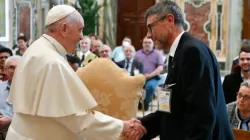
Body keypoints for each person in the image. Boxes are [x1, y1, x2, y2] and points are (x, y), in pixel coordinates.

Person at [6, 5, 146, 140]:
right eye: (79, 30)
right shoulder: (52, 62)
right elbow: (75, 118)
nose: (81, 37)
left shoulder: (36, 49)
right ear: (64, 29)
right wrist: (122, 126)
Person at [134, 1, 234, 139]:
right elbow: (170, 110)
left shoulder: (192, 52)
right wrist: (139, 126)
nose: (148, 35)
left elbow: (201, 117)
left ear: (169, 20)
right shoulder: (180, 52)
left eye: (150, 27)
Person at [0, 55, 21, 140]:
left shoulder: (31, 90)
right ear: (5, 70)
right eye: (11, 67)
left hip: (20, 133)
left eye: (18, 67)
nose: (15, 71)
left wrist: (11, 121)